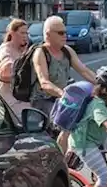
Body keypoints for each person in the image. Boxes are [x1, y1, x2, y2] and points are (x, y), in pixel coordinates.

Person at [32, 16, 96, 159]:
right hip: (44, 101)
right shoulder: (41, 53)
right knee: (67, 125)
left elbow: (84, 71)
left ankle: (75, 153)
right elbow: (44, 82)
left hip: (62, 99)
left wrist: (102, 84)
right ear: (48, 34)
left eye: (65, 32)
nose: (65, 36)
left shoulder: (67, 51)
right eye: (60, 33)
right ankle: (61, 163)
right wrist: (63, 94)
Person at [0, 18, 30, 108]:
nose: (25, 36)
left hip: (19, 97)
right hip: (7, 99)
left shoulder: (22, 50)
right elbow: (7, 63)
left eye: (26, 33)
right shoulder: (5, 48)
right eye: (22, 33)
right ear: (12, 33)